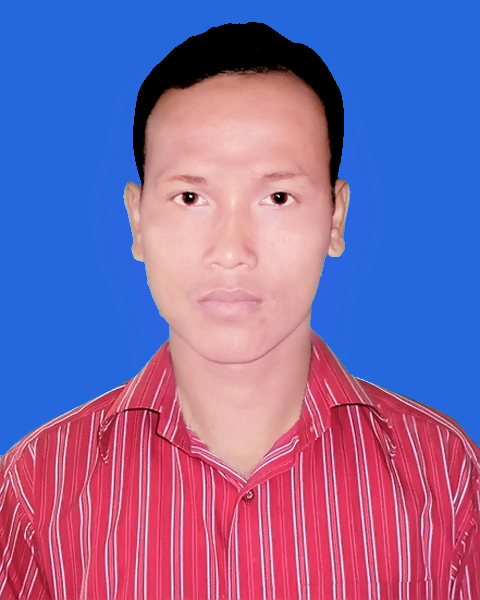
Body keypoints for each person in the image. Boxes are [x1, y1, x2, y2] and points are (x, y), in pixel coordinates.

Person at [0, 22, 478, 600]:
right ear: (137, 220)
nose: (231, 251)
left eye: (277, 197)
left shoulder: (445, 472)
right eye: (190, 197)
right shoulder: (38, 484)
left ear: (335, 217)